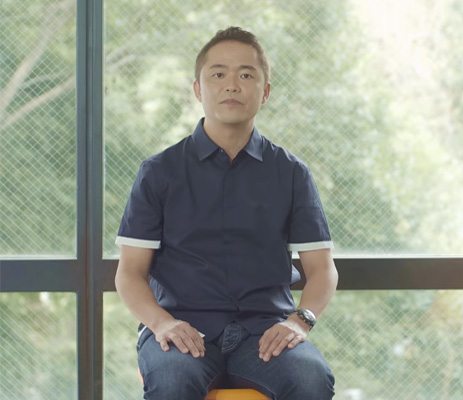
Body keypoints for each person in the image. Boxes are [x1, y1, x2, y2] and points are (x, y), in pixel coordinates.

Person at [114, 26, 337, 400]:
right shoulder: (159, 172)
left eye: (246, 75)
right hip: (182, 328)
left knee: (310, 378)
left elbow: (322, 269)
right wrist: (162, 324)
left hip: (264, 332)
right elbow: (130, 273)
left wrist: (301, 321)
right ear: (198, 89)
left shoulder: (291, 173)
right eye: (218, 74)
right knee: (172, 381)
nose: (232, 85)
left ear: (265, 92)